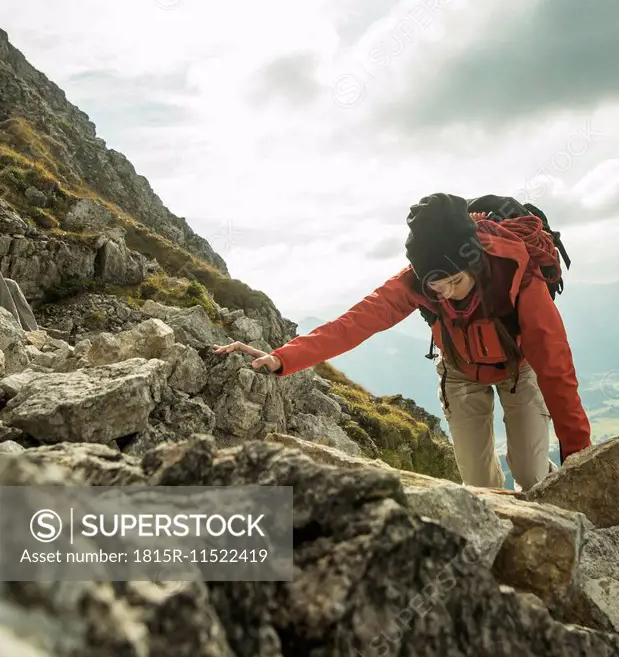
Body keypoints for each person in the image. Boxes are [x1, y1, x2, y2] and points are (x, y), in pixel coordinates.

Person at [212, 193, 592, 490]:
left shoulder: (519, 277)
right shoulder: (414, 282)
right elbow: (352, 325)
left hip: (518, 369)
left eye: (455, 281)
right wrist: (282, 358)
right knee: (479, 486)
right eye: (434, 285)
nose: (445, 294)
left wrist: (581, 461)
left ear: (474, 261)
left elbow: (557, 370)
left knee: (531, 472)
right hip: (460, 371)